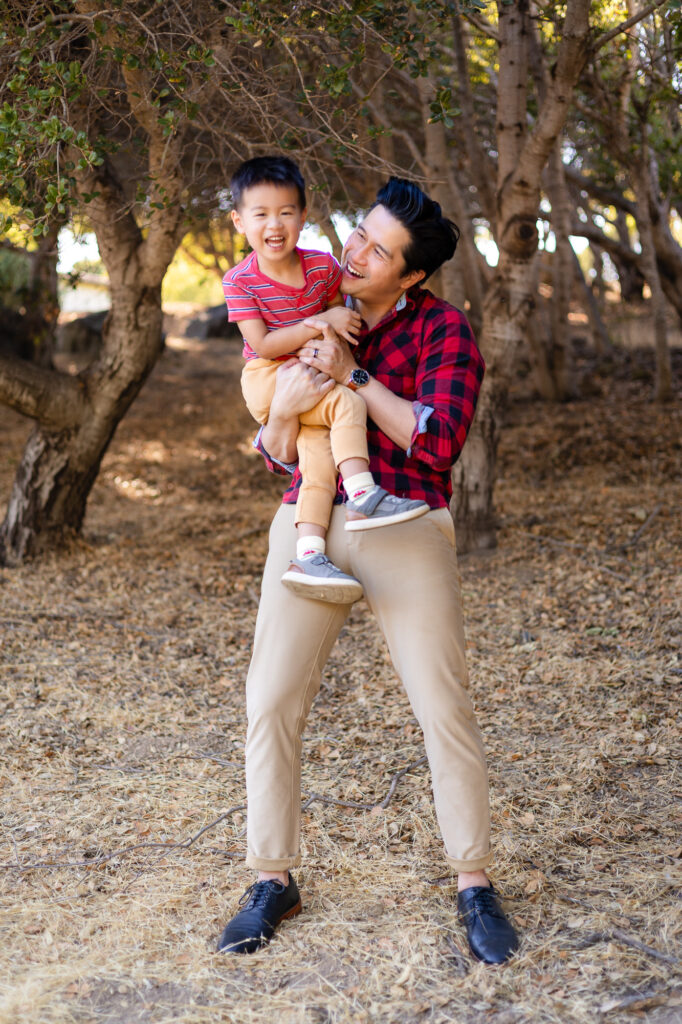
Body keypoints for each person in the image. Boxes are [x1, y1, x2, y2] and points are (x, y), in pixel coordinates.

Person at [216, 177, 519, 965]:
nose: (353, 252)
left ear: (410, 275)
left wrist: (352, 374)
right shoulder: (306, 300)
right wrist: (284, 407)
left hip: (406, 520)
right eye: (358, 234)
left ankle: (474, 882)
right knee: (270, 697)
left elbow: (437, 439)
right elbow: (277, 446)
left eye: (376, 251)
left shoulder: (444, 330)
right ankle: (272, 878)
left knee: (440, 702)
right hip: (306, 519)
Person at [223, 156, 428, 605]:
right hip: (267, 376)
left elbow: (342, 322)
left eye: (286, 212)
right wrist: (321, 322)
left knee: (318, 462)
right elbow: (261, 345)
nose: (274, 225)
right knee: (348, 404)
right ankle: (364, 493)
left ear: (304, 214)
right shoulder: (240, 281)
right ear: (239, 220)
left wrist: (333, 331)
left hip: (312, 370)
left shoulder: (320, 266)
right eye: (260, 214)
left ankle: (309, 554)